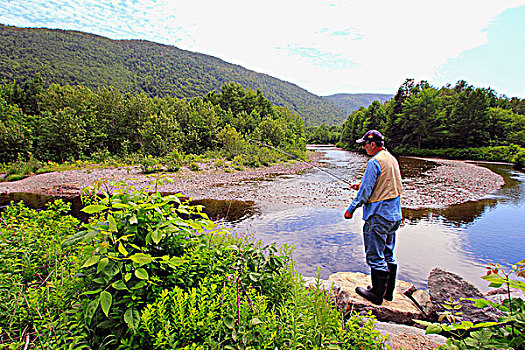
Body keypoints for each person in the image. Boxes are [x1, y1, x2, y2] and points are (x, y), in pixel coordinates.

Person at [344, 130, 402, 305]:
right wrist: (360, 185)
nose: (363, 147)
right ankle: (387, 294)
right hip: (394, 216)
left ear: (373, 144)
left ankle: (376, 295)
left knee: (375, 256)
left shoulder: (374, 162)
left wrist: (350, 209)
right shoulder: (390, 158)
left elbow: (365, 193)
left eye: (365, 144)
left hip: (378, 216)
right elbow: (385, 183)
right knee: (388, 254)